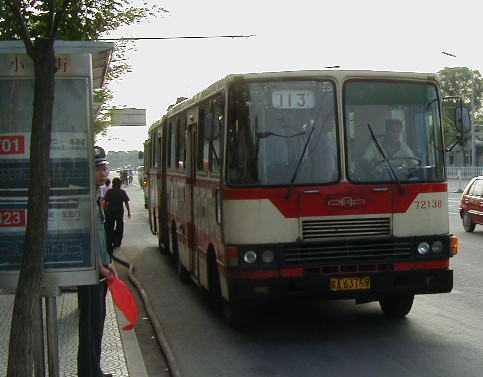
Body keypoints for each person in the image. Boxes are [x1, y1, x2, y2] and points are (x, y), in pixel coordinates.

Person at [77, 146, 116, 377]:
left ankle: (93, 369)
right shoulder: (85, 198)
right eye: (100, 169)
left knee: (97, 322)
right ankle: (89, 372)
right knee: (90, 323)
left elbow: (100, 237)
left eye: (105, 168)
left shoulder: (95, 196)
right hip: (91, 273)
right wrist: (99, 265)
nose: (104, 173)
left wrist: (108, 262)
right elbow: (86, 237)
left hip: (99, 271)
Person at [104, 177, 131, 251]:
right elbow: (126, 203)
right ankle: (117, 242)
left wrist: (104, 211)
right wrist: (128, 212)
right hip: (119, 212)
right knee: (120, 227)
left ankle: (112, 240)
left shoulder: (109, 191)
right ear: (120, 184)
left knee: (110, 227)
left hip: (110, 212)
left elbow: (105, 203)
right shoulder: (122, 192)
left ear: (113, 184)